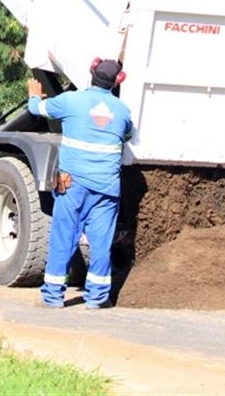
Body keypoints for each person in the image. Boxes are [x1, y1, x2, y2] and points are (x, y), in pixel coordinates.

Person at [27, 57, 134, 309]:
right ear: (118, 81)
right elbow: (128, 134)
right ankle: (97, 298)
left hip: (72, 185)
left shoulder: (70, 101)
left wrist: (34, 95)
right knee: (101, 243)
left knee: (64, 237)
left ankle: (53, 297)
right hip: (106, 189)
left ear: (91, 72)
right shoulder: (121, 110)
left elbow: (36, 110)